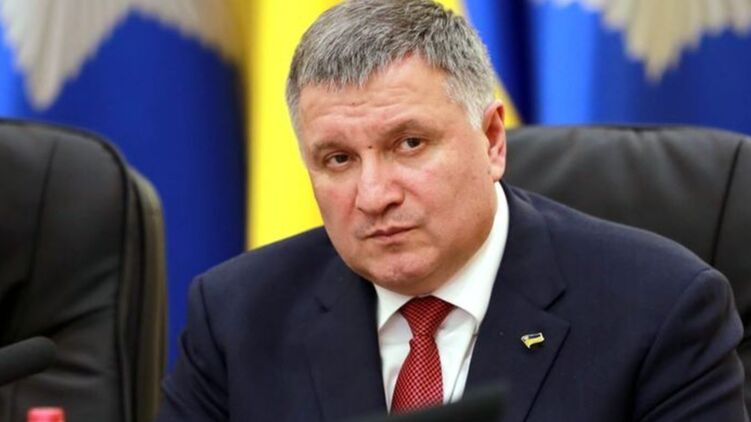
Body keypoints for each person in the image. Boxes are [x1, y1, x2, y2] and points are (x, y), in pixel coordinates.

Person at [156, 1, 748, 421]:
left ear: (491, 141)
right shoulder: (238, 316)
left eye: (409, 144)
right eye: (338, 159)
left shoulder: (659, 308)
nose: (374, 195)